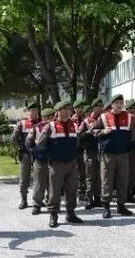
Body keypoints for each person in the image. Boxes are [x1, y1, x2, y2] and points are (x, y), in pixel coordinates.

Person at [35, 100, 83, 228]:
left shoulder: (74, 125)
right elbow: (40, 144)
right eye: (65, 109)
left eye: (69, 109)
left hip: (71, 163)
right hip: (57, 164)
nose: (68, 112)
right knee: (55, 191)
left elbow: (76, 142)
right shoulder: (50, 126)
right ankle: (53, 215)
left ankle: (70, 213)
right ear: (58, 111)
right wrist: (50, 156)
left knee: (72, 189)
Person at [91, 94, 135, 218]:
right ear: (112, 104)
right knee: (106, 180)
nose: (119, 105)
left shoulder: (129, 117)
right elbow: (93, 131)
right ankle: (106, 207)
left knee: (123, 180)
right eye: (116, 103)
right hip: (108, 154)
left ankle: (121, 206)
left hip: (122, 153)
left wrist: (127, 142)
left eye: (121, 103)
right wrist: (103, 132)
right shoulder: (104, 117)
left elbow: (133, 132)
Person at [11, 102, 40, 210]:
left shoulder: (41, 123)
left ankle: (40, 199)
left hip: (39, 155)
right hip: (26, 155)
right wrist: (21, 147)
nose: (34, 112)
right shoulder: (22, 123)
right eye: (32, 110)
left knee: (40, 178)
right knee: (24, 178)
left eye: (36, 110)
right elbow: (13, 138)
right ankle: (24, 200)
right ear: (28, 112)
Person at [77, 97, 104, 210]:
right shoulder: (86, 121)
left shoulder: (103, 119)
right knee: (90, 176)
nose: (100, 109)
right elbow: (79, 135)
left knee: (99, 176)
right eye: (98, 107)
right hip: (89, 151)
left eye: (101, 107)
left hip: (101, 151)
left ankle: (98, 198)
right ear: (93, 108)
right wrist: (88, 132)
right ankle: (90, 198)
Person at [26, 108, 55, 215]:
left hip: (53, 159)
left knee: (52, 183)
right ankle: (37, 205)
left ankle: (50, 202)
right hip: (40, 159)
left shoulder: (56, 126)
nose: (52, 119)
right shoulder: (36, 128)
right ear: (44, 118)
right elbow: (28, 142)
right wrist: (34, 151)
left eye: (53, 117)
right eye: (49, 117)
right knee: (38, 183)